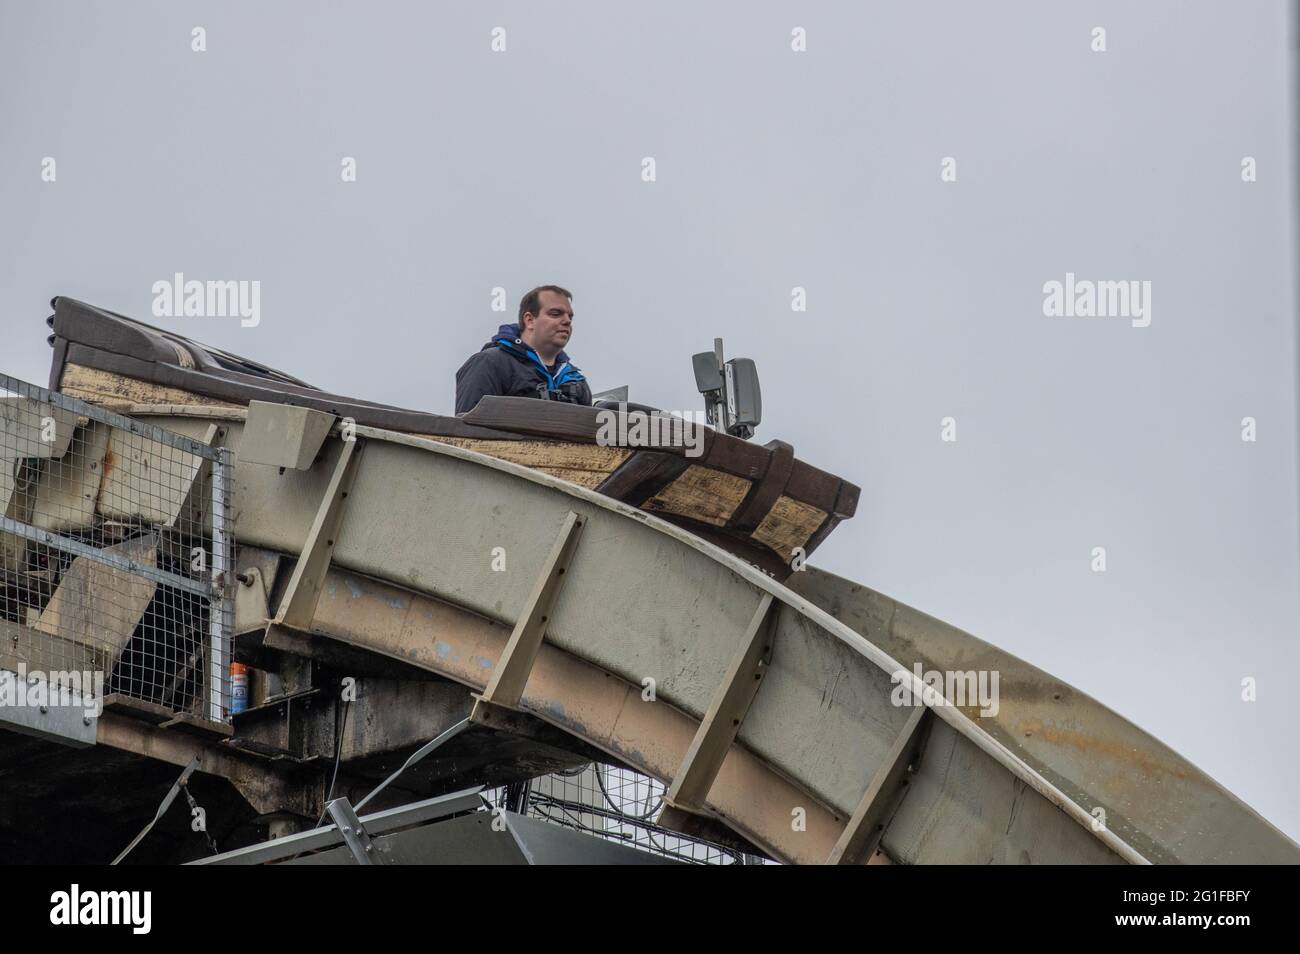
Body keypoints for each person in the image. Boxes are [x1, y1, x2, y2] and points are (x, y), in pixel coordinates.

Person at [454, 285, 593, 414]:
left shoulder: (577, 380)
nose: (567, 321)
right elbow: (466, 432)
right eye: (556, 314)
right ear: (529, 320)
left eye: (570, 316)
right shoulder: (489, 363)